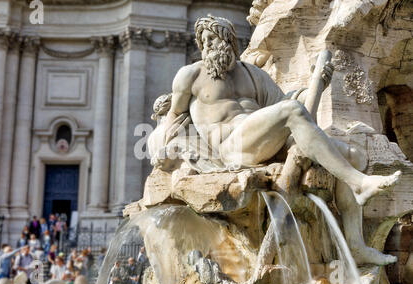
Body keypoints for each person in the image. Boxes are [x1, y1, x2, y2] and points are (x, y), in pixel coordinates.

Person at [158, 15, 400, 266]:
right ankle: (359, 183)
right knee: (292, 110)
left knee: (353, 155)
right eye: (203, 41)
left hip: (264, 141)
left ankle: (355, 245)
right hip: (232, 146)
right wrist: (170, 149)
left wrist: (318, 83)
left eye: (212, 38)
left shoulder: (252, 75)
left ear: (228, 40)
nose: (207, 46)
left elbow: (298, 112)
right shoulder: (190, 75)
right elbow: (175, 115)